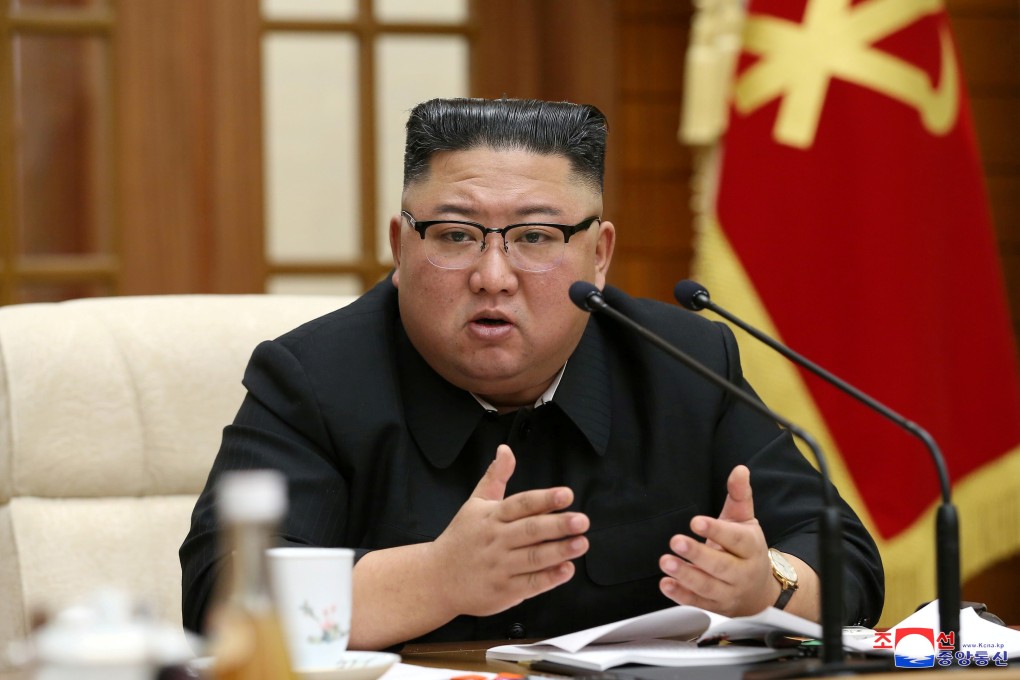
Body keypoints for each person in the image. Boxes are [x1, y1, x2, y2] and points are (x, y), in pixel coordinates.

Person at [181, 97, 883, 650]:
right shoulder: (311, 377)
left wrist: (765, 586)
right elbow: (224, 599)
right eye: (455, 235)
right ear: (400, 247)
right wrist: (438, 579)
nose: (493, 276)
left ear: (599, 255)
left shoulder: (683, 362)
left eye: (536, 237)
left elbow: (847, 559)